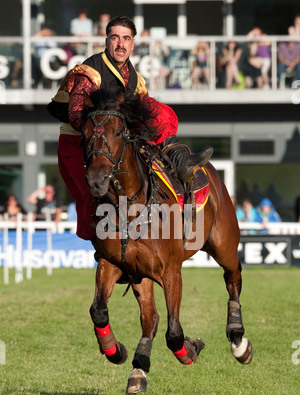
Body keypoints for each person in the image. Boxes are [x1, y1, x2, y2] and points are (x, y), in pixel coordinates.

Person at [47, 15, 213, 244]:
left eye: (126, 39)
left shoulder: (137, 79)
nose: (120, 44)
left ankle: (177, 157)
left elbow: (149, 118)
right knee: (93, 195)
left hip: (116, 140)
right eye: (115, 38)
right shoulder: (88, 72)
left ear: (133, 44)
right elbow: (77, 117)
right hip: (80, 141)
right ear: (106, 41)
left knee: (161, 112)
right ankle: (106, 249)